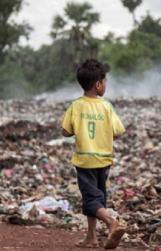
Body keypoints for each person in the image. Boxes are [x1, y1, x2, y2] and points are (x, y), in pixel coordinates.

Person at [61, 59, 126, 249]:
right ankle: (91, 237)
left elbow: (65, 131)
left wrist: (76, 127)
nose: (106, 86)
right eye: (105, 82)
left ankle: (112, 223)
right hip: (104, 160)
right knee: (97, 198)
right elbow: (119, 131)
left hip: (84, 160)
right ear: (98, 84)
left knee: (91, 199)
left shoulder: (76, 106)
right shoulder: (106, 107)